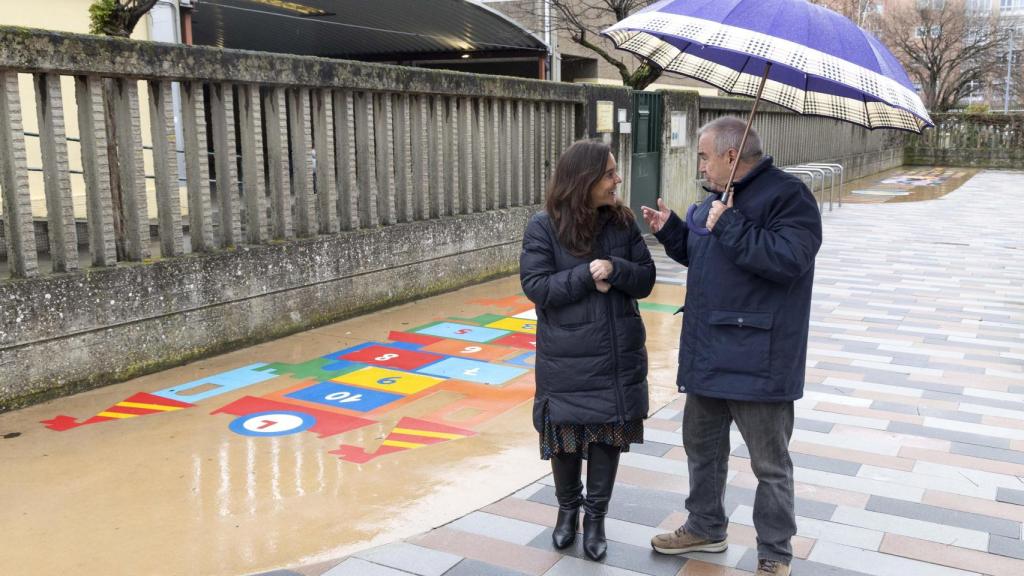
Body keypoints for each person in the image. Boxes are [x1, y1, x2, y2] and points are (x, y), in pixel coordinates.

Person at [641, 117, 822, 576]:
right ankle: (705, 525)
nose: (698, 164)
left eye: (703, 156)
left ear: (730, 156)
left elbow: (790, 260)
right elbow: (707, 256)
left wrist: (732, 225)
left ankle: (774, 553)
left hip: (759, 358)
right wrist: (672, 231)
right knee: (702, 448)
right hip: (708, 351)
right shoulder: (715, 201)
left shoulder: (789, 197)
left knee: (769, 464)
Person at [520, 139, 656, 561]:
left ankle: (595, 518)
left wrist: (616, 269)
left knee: (604, 437)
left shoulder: (622, 222)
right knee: (563, 434)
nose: (618, 180)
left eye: (616, 172)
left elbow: (647, 279)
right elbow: (536, 286)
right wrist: (584, 276)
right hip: (567, 355)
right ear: (584, 180)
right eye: (610, 173)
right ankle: (566, 512)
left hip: (616, 353)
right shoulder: (544, 226)